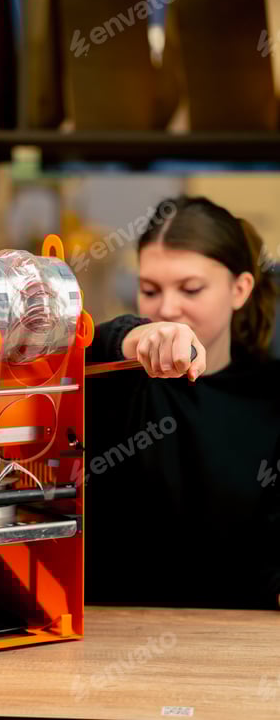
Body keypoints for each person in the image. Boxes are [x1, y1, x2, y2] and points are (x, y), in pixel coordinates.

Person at [84, 195, 280, 610]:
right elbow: (89, 347)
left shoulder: (270, 394)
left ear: (240, 289)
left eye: (191, 289)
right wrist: (136, 336)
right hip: (111, 634)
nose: (168, 309)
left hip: (239, 642)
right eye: (149, 290)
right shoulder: (122, 381)